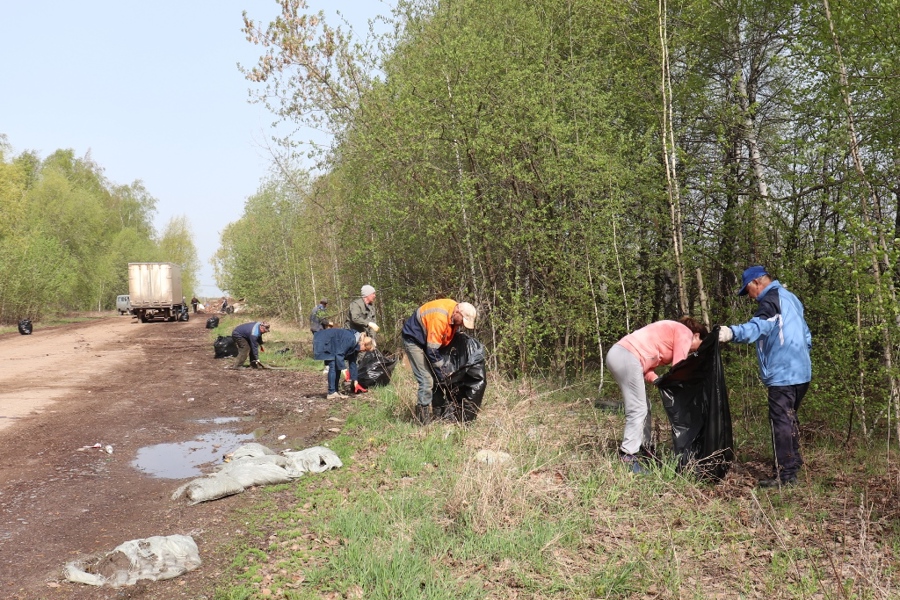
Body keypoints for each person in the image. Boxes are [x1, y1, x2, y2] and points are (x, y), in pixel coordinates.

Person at [719, 266, 812, 488]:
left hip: (784, 374)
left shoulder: (770, 301)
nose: (749, 297)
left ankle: (786, 476)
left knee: (781, 423)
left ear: (756, 283)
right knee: (789, 419)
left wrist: (731, 332)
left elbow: (760, 327)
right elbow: (807, 334)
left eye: (747, 291)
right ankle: (794, 463)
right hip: (801, 372)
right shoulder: (791, 298)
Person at [606, 316, 708, 473]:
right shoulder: (685, 332)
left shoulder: (670, 333)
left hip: (621, 356)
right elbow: (679, 367)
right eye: (697, 347)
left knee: (644, 406)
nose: (693, 351)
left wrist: (658, 380)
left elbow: (646, 368)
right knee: (638, 408)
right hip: (625, 356)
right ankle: (627, 455)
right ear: (696, 335)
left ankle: (645, 449)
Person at [401, 299, 478, 425]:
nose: (462, 325)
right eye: (462, 321)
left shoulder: (453, 312)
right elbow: (432, 350)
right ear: (457, 312)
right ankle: (422, 422)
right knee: (427, 380)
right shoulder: (440, 319)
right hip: (414, 339)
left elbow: (444, 336)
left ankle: (438, 413)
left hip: (428, 339)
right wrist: (443, 372)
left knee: (436, 376)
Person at [313, 328, 376, 400]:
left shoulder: (356, 344)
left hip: (334, 345)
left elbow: (352, 363)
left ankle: (335, 391)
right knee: (333, 365)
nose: (363, 351)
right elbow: (339, 354)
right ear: (363, 344)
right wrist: (344, 369)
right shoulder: (351, 340)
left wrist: (355, 380)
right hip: (325, 341)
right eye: (365, 349)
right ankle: (331, 392)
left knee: (337, 366)